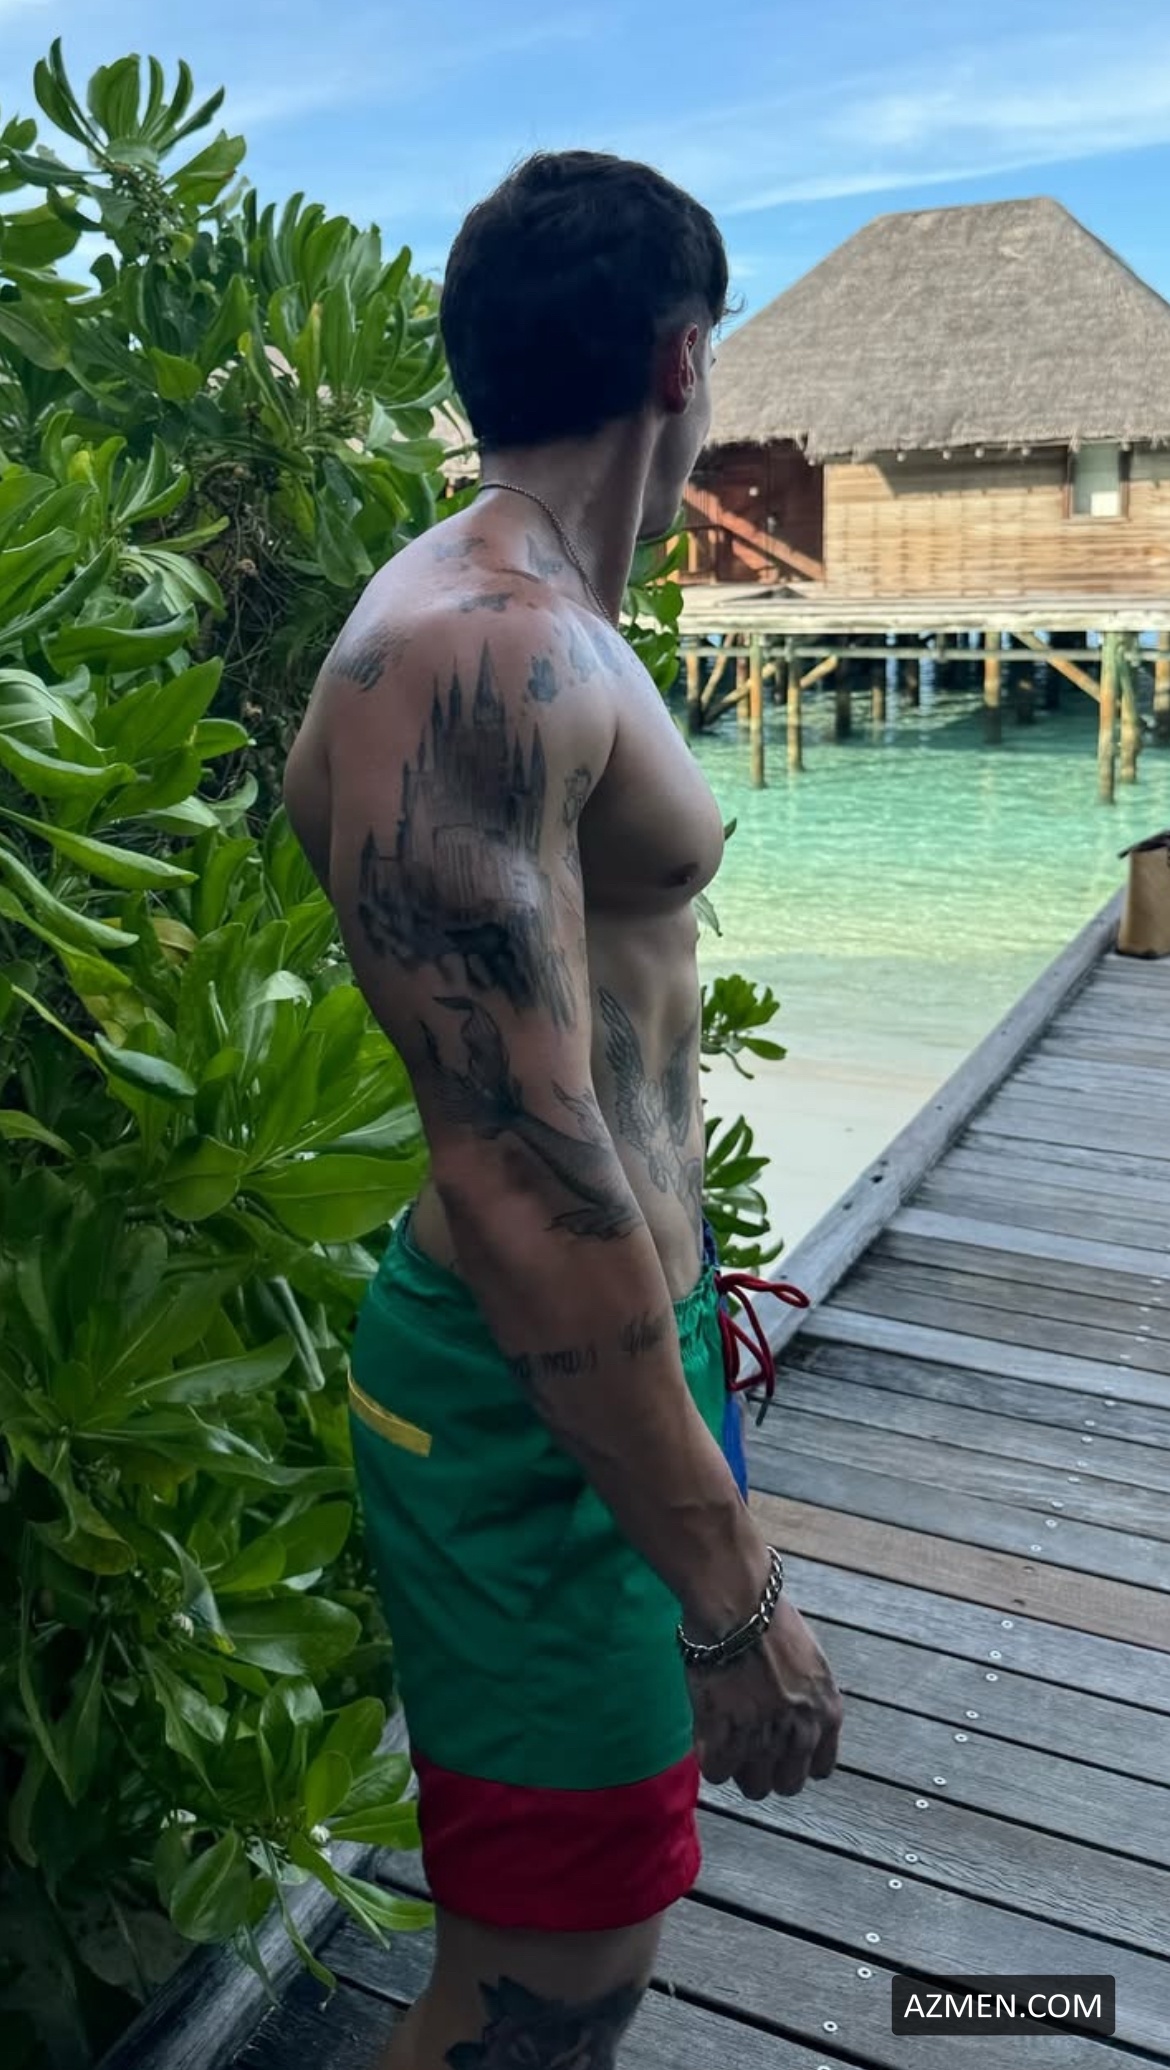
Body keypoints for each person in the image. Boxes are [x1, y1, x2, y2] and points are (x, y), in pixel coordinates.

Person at [282, 149, 842, 2070]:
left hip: (616, 1354)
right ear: (681, 359)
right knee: (536, 1994)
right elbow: (521, 1179)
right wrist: (731, 1593)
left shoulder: (545, 624)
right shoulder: (470, 650)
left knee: (591, 1950)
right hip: (535, 1397)